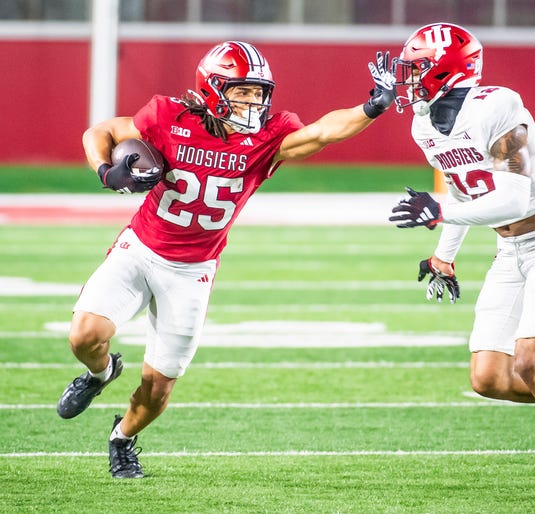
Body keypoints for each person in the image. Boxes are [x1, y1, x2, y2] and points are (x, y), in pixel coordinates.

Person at [56, 41, 396, 478]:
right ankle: (101, 375)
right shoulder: (167, 115)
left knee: (158, 387)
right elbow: (99, 132)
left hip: (193, 270)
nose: (254, 101)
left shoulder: (269, 136)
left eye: (259, 92)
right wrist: (107, 170)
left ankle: (121, 438)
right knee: (84, 335)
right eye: (243, 91)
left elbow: (323, 131)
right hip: (140, 248)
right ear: (214, 88)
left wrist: (372, 107)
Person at [386, 23, 535, 500]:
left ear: (449, 70)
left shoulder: (497, 105)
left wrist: (439, 211)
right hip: (508, 251)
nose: (408, 79)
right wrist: (444, 255)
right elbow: (461, 185)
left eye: (418, 68)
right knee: (488, 378)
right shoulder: (424, 121)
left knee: (531, 363)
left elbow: (514, 197)